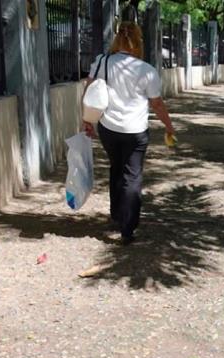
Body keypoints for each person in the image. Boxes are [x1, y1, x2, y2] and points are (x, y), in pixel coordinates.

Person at [81, 7, 176, 245]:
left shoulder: (102, 62)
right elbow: (156, 103)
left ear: (117, 39)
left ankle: (116, 213)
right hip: (135, 131)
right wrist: (169, 126)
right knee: (132, 175)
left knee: (116, 167)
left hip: (108, 129)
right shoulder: (147, 70)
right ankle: (128, 227)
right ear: (137, 42)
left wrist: (86, 120)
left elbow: (89, 92)